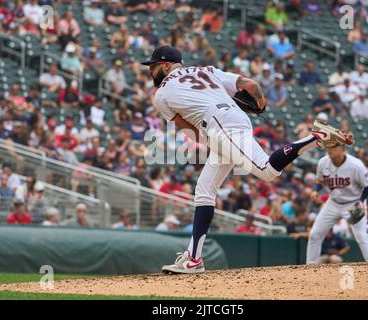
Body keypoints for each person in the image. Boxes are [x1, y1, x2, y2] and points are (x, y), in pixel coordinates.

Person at [142, 46, 353, 274]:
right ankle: (193, 258)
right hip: (230, 119)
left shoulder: (162, 94)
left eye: (153, 66)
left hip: (218, 125)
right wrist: (261, 104)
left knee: (267, 170)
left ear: (165, 66)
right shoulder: (206, 70)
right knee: (204, 190)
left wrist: (214, 139)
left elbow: (188, 129)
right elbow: (250, 85)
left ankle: (316, 137)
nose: (151, 71)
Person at [306, 143, 368, 264]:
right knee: (315, 234)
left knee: (361, 236)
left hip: (353, 202)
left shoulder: (355, 165)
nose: (330, 149)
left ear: (343, 149)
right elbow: (319, 180)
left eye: (334, 147)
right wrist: (315, 190)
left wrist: (361, 201)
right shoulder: (323, 163)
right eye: (329, 147)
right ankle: (310, 265)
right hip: (333, 203)